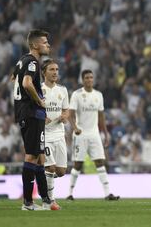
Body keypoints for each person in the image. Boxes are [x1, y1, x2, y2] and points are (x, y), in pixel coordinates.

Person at [12, 29, 58, 210]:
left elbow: (14, 77)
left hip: (29, 113)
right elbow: (26, 83)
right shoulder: (32, 62)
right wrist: (39, 101)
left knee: (39, 157)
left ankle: (46, 200)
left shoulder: (22, 60)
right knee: (32, 156)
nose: (48, 45)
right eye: (45, 42)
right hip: (31, 113)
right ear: (34, 45)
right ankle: (28, 203)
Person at [67, 70, 119, 200]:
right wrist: (74, 128)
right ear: (82, 80)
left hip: (94, 134)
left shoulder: (98, 95)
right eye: (87, 78)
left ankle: (107, 194)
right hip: (81, 134)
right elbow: (70, 115)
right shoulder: (77, 95)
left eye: (91, 77)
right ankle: (69, 193)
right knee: (78, 165)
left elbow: (101, 117)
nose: (89, 80)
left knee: (100, 162)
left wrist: (105, 134)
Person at [41, 59, 69, 209]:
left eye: (57, 70)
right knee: (50, 168)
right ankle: (50, 201)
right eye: (52, 69)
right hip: (44, 134)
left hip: (59, 134)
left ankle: (42, 179)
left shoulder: (62, 90)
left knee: (61, 171)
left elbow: (66, 109)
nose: (55, 72)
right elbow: (31, 109)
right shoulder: (38, 89)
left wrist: (65, 116)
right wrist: (40, 117)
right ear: (44, 72)